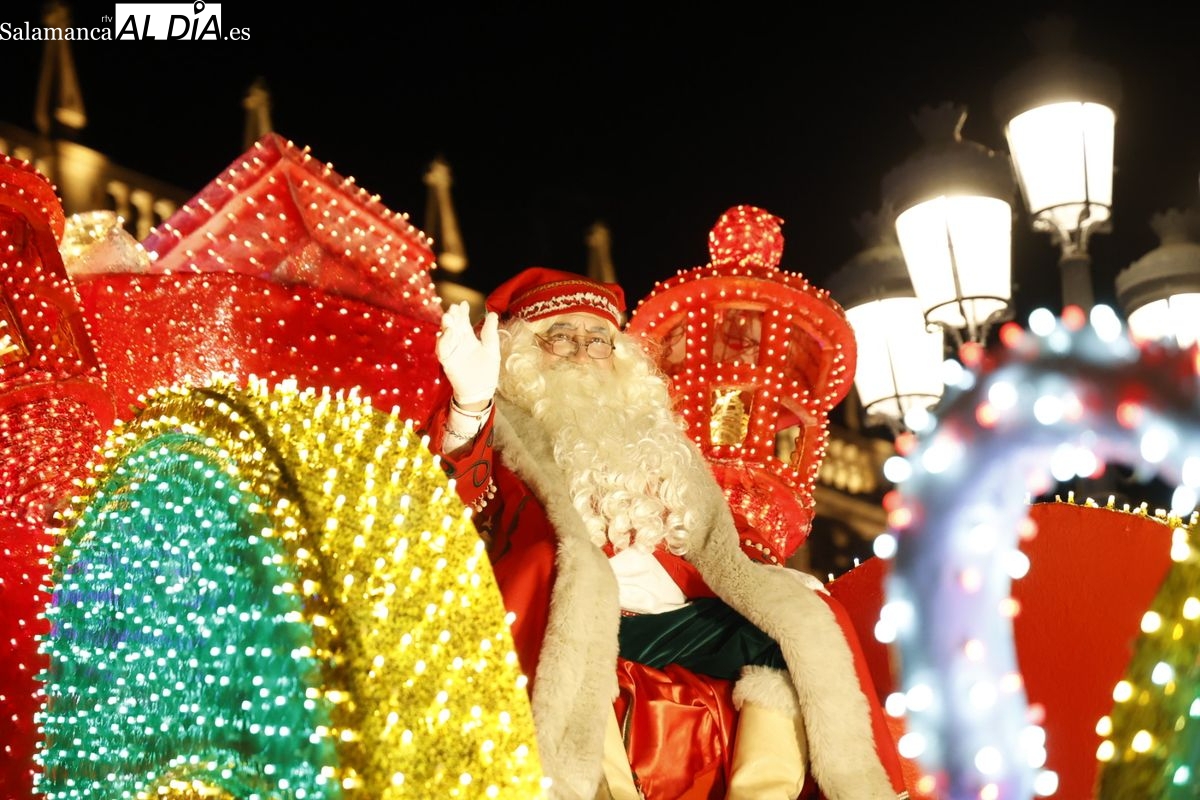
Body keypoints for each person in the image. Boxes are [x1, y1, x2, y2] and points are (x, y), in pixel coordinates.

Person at [427, 266, 907, 800]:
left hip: (666, 611)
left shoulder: (652, 434)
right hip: (565, 607)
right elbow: (455, 503)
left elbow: (711, 544)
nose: (583, 352)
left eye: (599, 339)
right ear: (524, 353)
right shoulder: (503, 425)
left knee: (794, 627)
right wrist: (469, 404)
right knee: (575, 630)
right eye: (561, 336)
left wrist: (763, 576)